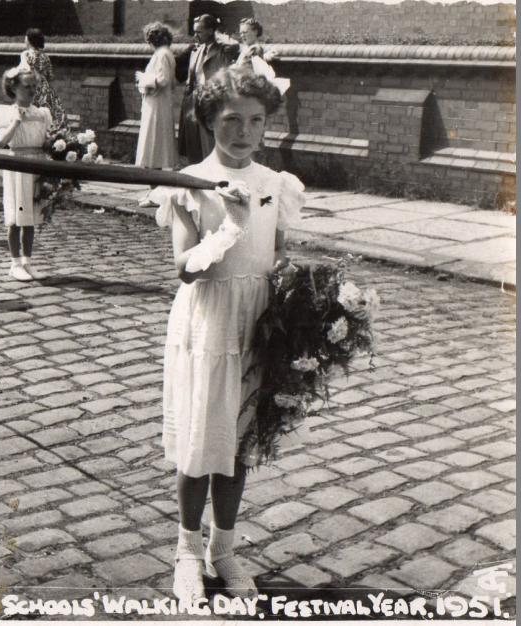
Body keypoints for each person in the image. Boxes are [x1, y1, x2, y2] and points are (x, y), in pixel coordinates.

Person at [149, 66, 304, 602]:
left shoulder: (276, 183)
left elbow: (277, 253)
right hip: (208, 321)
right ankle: (187, 551)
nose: (245, 132)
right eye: (232, 120)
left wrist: (298, 296)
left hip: (255, 321)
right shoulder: (189, 183)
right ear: (209, 120)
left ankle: (225, 548)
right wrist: (229, 228)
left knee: (237, 446)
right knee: (201, 446)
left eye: (256, 121)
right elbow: (185, 268)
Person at [0, 66, 53, 282]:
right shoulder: (7, 113)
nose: (32, 90)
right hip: (17, 166)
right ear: (13, 88)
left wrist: (57, 143)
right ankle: (14, 263)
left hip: (37, 165)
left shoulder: (41, 113)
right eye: (27, 86)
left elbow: (46, 141)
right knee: (16, 217)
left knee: (31, 217)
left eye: (34, 86)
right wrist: (16, 121)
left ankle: (27, 261)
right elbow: (1, 142)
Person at [175, 14, 238, 164]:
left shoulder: (223, 50)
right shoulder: (195, 49)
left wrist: (220, 35)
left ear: (210, 31)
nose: (195, 35)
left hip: (211, 101)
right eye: (194, 31)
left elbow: (236, 47)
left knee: (208, 144)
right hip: (192, 101)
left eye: (199, 31)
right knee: (193, 145)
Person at [135, 22, 178, 208]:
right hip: (156, 104)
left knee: (154, 149)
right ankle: (154, 192)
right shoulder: (164, 53)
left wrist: (143, 78)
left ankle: (156, 194)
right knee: (154, 149)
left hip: (157, 107)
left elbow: (163, 79)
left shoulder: (162, 54)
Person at [19, 28, 66, 131]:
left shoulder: (25, 54)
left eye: (26, 37)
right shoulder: (45, 56)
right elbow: (50, 76)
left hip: (32, 87)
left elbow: (24, 71)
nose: (24, 40)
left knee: (30, 117)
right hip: (46, 89)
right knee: (48, 116)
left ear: (29, 39)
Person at [235, 19, 290, 95]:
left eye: (245, 32)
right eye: (240, 33)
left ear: (255, 32)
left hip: (249, 87)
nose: (242, 35)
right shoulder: (246, 49)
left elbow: (252, 66)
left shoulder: (255, 49)